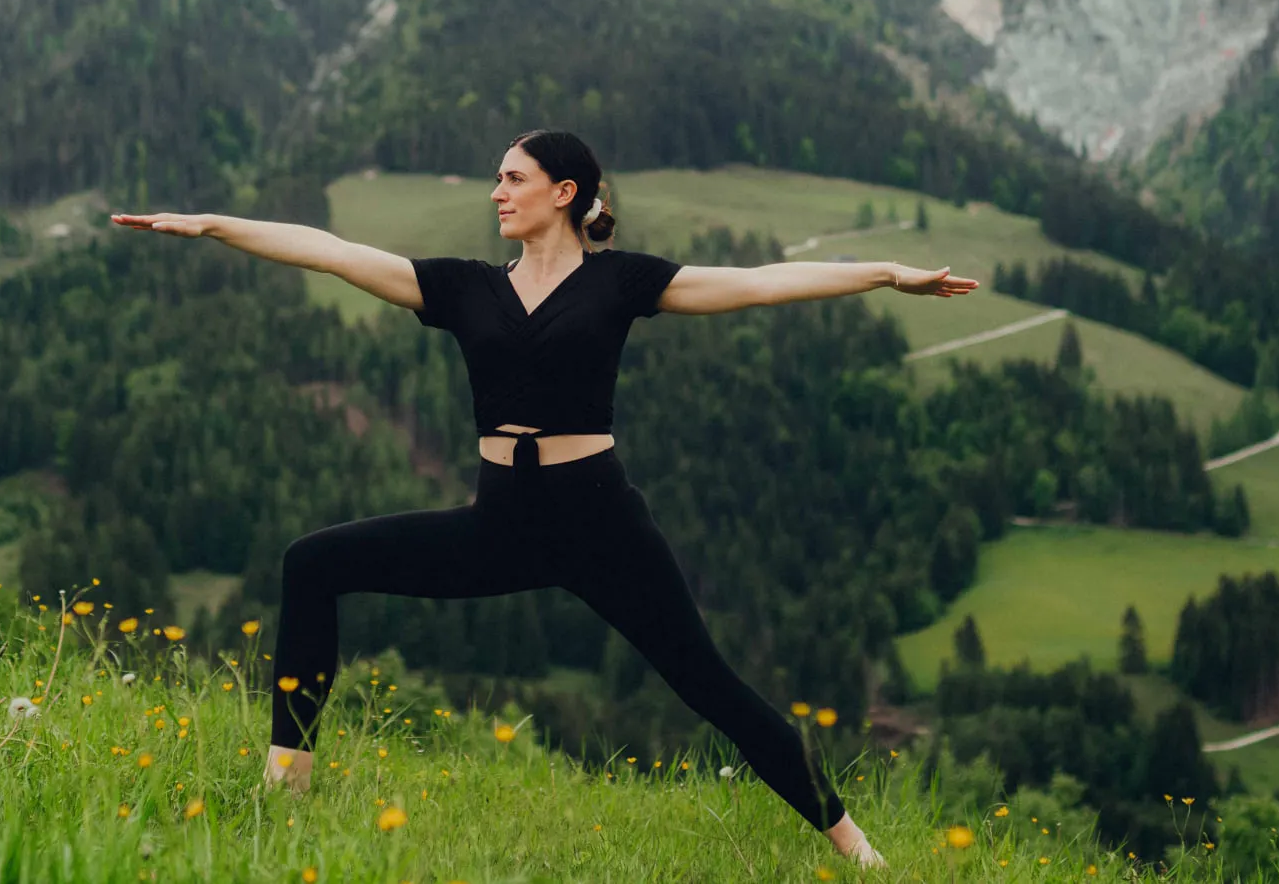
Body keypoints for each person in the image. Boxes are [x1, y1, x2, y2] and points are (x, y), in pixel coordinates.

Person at [113, 129, 978, 868]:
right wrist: (217, 226)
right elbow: (334, 252)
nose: (497, 192)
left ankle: (858, 851)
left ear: (565, 193)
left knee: (711, 685)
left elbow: (756, 282)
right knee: (313, 564)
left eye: (513, 178)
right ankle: (284, 791)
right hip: (501, 522)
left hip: (601, 523)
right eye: (497, 179)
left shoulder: (622, 282)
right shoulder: (464, 288)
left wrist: (884, 274)